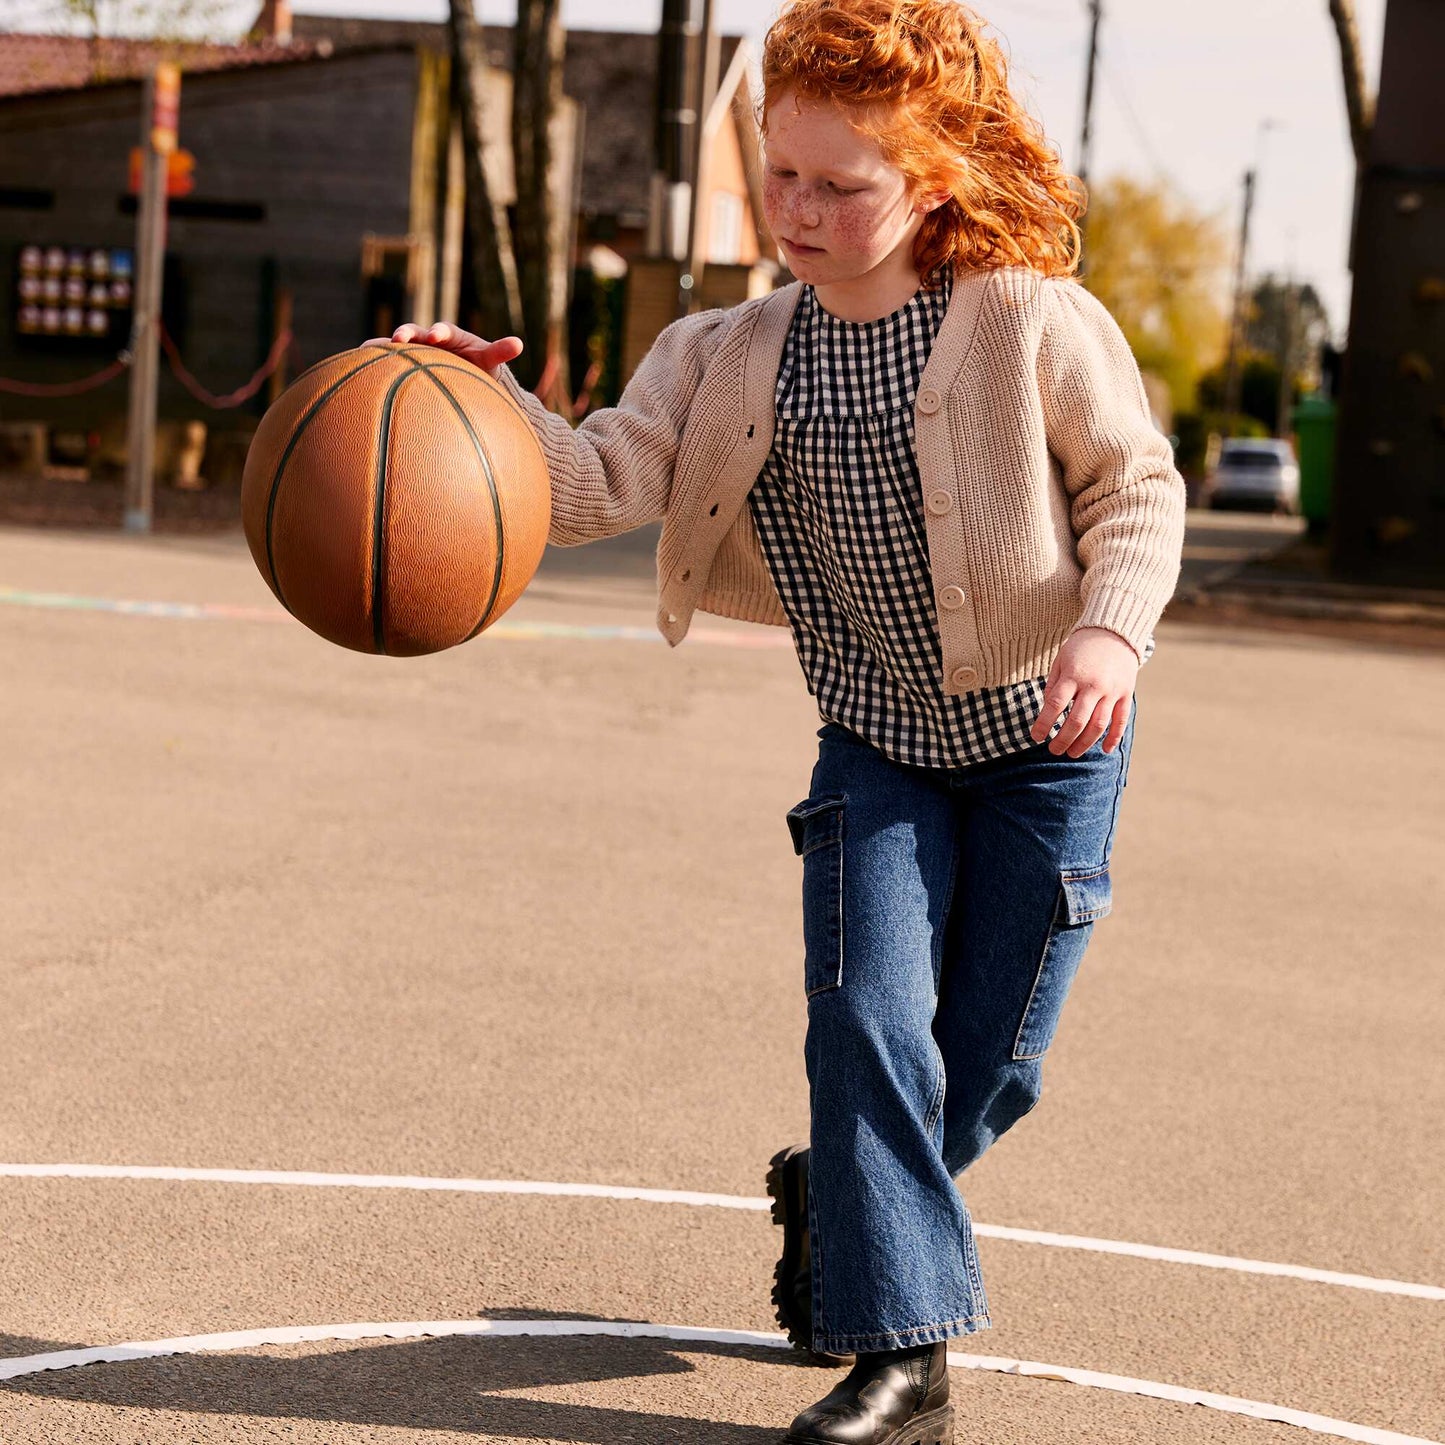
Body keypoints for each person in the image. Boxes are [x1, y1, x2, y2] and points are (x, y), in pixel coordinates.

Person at [370, 1, 1185, 1438]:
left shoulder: (1025, 322)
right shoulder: (725, 350)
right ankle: (903, 1354)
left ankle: (839, 1191)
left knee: (990, 1063)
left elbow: (1137, 488)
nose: (797, 211)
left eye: (838, 185)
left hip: (1043, 753)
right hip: (872, 745)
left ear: (931, 180)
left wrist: (1111, 630)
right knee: (866, 1020)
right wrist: (468, 415)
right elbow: (597, 480)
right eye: (779, 174)